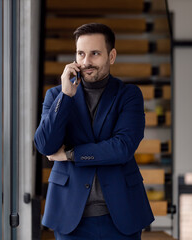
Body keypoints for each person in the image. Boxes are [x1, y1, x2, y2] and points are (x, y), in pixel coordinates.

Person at [34, 23, 154, 239]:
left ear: (111, 56)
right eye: (81, 54)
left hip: (121, 216)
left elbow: (122, 148)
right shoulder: (56, 96)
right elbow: (45, 146)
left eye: (95, 54)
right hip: (69, 216)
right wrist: (66, 96)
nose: (86, 62)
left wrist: (71, 154)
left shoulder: (129, 95)